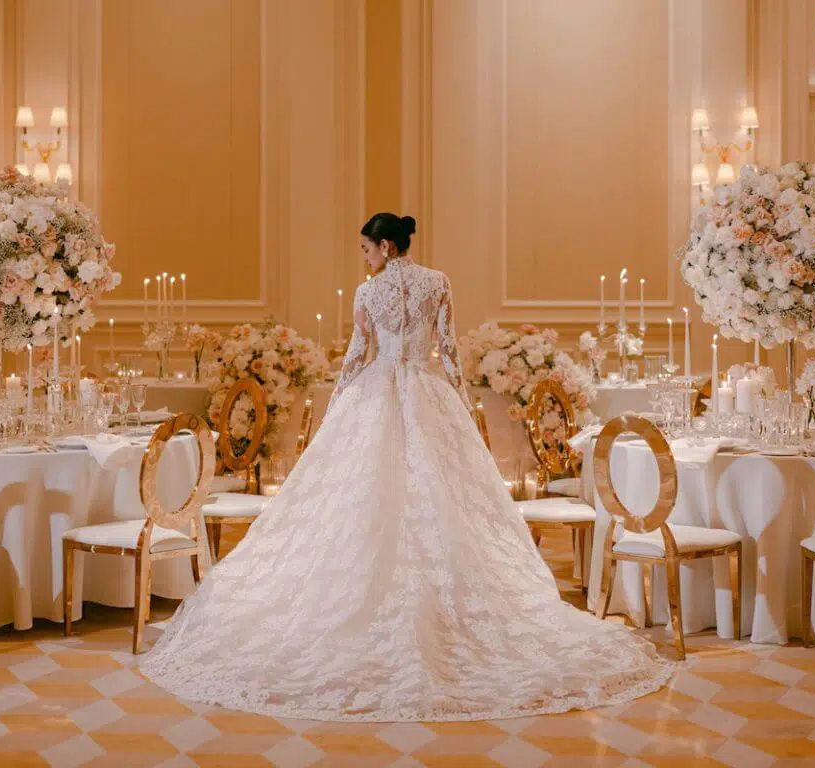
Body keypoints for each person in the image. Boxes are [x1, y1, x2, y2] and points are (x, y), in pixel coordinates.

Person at [139, 213, 674, 722]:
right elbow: (448, 351)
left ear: (386, 246)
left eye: (366, 249)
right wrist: (460, 403)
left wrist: (338, 409)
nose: (364, 258)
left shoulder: (368, 292)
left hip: (375, 393)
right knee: (439, 496)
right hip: (427, 392)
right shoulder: (437, 282)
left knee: (367, 497)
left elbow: (357, 355)